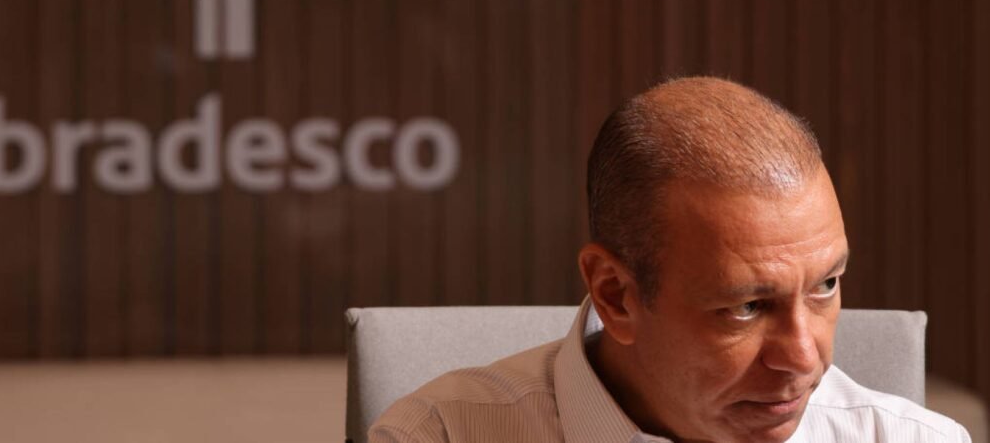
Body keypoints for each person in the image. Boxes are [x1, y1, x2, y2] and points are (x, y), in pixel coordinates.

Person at [369, 77, 971, 442]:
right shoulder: (438, 435)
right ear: (615, 295)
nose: (803, 357)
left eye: (826, 285)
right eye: (747, 307)